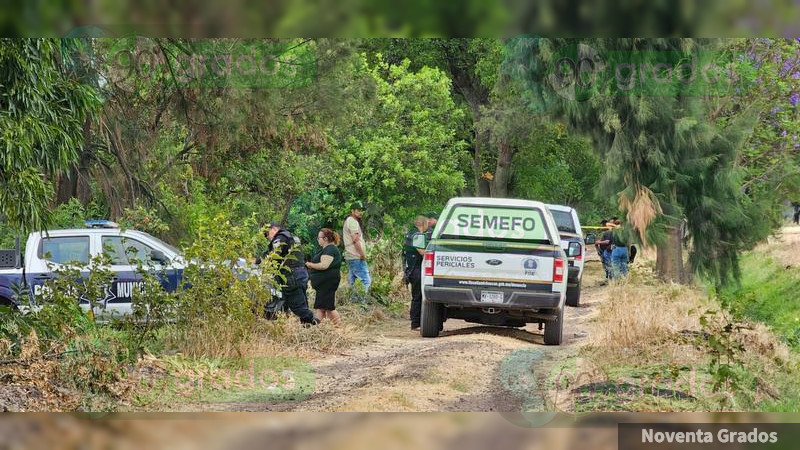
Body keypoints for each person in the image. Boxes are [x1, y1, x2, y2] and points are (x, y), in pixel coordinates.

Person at [258, 223, 318, 324]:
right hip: (300, 273)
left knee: (298, 307)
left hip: (291, 275)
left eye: (267, 234)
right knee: (292, 304)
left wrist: (260, 264)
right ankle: (307, 328)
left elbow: (273, 257)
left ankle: (314, 325)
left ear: (274, 229)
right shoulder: (291, 236)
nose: (267, 237)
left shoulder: (281, 237)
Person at [305, 228, 343, 325]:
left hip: (327, 283)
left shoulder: (330, 249)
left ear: (325, 238)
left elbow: (324, 265)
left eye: (319, 238)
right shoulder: (327, 249)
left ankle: (339, 328)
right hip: (323, 284)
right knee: (321, 307)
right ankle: (315, 327)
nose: (318, 240)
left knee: (329, 308)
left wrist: (310, 265)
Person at [403, 215, 429, 330]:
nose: (428, 226)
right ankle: (415, 323)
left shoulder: (410, 233)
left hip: (411, 270)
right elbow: (422, 252)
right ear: (421, 224)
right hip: (416, 270)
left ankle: (416, 322)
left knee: (416, 296)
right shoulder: (417, 235)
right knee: (417, 297)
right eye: (426, 223)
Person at [343, 201, 371, 301]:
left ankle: (352, 301)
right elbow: (355, 240)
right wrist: (362, 254)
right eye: (358, 210)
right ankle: (361, 302)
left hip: (351, 256)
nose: (360, 212)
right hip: (356, 256)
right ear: (352, 210)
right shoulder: (352, 221)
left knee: (352, 281)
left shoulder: (350, 220)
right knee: (366, 280)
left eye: (361, 210)